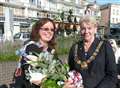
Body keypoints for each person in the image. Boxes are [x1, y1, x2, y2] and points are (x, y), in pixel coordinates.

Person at [64, 16, 117, 88]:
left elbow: (112, 75)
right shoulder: (75, 47)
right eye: (83, 28)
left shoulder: (105, 46)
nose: (86, 31)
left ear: (95, 29)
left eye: (89, 28)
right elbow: (71, 71)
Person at [14, 18, 57, 88]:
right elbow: (33, 78)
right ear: (37, 30)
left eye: (52, 30)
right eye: (46, 29)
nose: (50, 32)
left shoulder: (51, 49)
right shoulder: (31, 47)